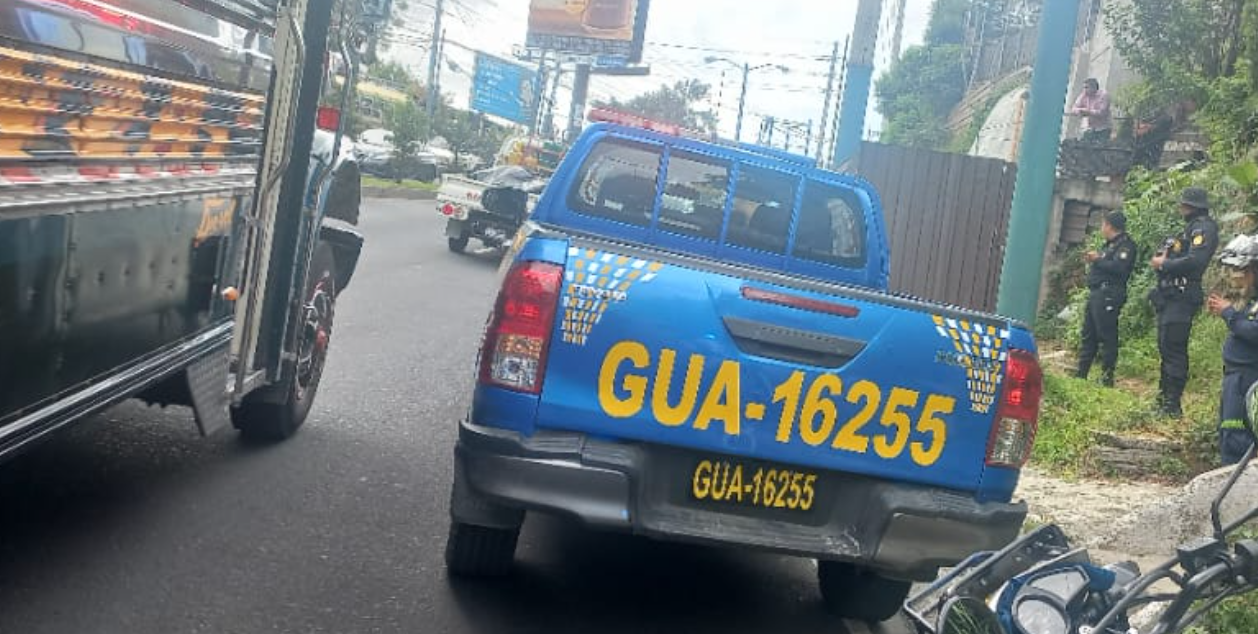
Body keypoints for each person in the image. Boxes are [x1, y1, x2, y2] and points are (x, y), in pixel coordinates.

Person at [1149, 187, 1220, 416]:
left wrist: (1165, 264)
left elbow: (1196, 261)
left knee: (1174, 349)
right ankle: (1163, 399)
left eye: (1184, 204)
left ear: (1192, 206)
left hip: (1182, 295)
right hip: (1170, 296)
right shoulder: (1188, 229)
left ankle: (1172, 404)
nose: (1181, 208)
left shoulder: (1203, 228)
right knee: (1166, 346)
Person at [1206, 235, 1258, 465]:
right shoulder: (1252, 302)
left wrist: (1228, 313)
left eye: (1245, 271)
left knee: (1238, 441)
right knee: (1229, 434)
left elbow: (1253, 332)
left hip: (1248, 379)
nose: (1241, 277)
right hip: (1235, 379)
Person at [1076, 211, 1137, 387]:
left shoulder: (1126, 246)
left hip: (1109, 294)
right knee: (1089, 334)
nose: (1102, 228)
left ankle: (1107, 377)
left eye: (1103, 224)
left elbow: (1119, 267)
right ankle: (1081, 374)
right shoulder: (1109, 245)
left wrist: (1099, 258)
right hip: (1097, 293)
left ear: (1109, 225)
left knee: (1107, 336)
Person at [1070, 78, 1112, 144]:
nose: (1084, 90)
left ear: (1094, 87)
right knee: (1084, 146)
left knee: (1099, 149)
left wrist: (1088, 112)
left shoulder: (1104, 95)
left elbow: (1102, 113)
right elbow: (1073, 109)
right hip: (1089, 128)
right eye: (1084, 87)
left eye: (1086, 87)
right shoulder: (1083, 95)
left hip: (1103, 128)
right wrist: (1080, 111)